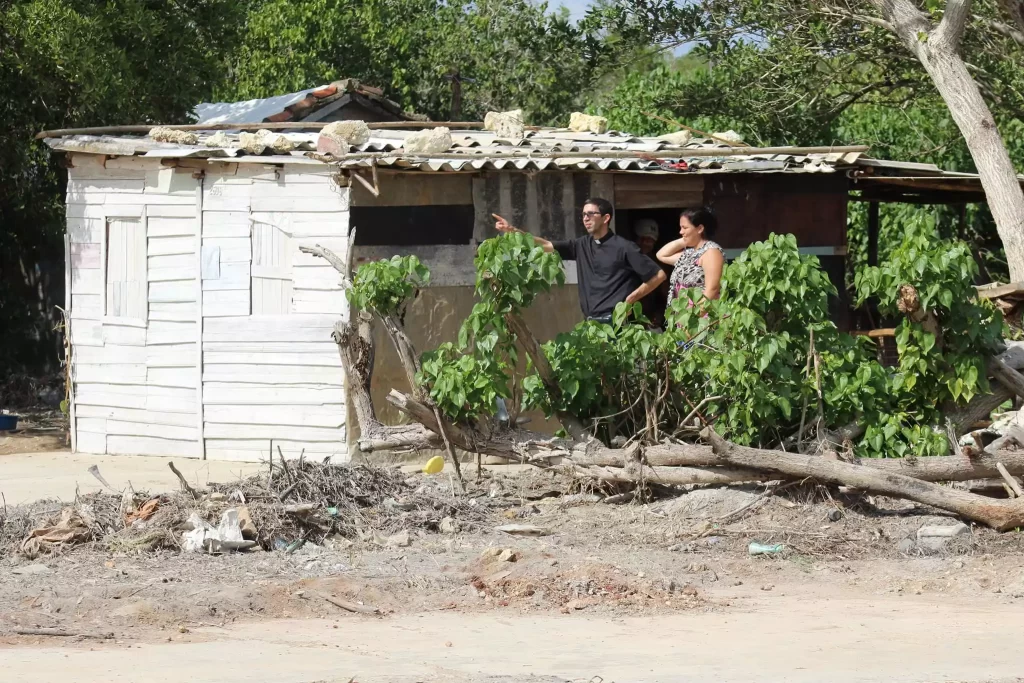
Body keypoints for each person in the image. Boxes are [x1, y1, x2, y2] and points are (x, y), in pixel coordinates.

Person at [492, 198, 666, 323]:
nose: (585, 218)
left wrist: (631, 299)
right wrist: (512, 230)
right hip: (590, 322)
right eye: (583, 214)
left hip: (617, 321)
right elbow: (545, 244)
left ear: (606, 218)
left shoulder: (624, 247)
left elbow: (658, 275)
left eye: (591, 214)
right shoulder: (581, 245)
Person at [657, 207, 725, 307]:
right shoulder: (690, 253)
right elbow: (661, 255)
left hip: (702, 314)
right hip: (684, 313)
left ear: (700, 228)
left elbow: (712, 289)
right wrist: (685, 239)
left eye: (685, 228)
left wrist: (696, 314)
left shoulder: (711, 252)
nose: (680, 232)